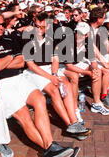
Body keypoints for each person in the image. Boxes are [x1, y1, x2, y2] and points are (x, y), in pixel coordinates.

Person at [0, 12, 80, 157]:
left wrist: (0, 62)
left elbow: (21, 62)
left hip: (19, 78)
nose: (1, 27)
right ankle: (49, 148)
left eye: (3, 24)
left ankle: (51, 148)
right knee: (23, 115)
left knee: (40, 100)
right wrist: (10, 58)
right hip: (0, 83)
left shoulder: (11, 38)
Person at [23, 12, 92, 140]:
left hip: (50, 69)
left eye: (42, 27)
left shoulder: (51, 38)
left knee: (66, 86)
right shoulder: (27, 38)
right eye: (36, 26)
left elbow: (55, 59)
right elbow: (31, 65)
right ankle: (70, 124)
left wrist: (54, 74)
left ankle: (74, 121)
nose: (38, 29)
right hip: (34, 71)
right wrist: (51, 78)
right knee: (55, 90)